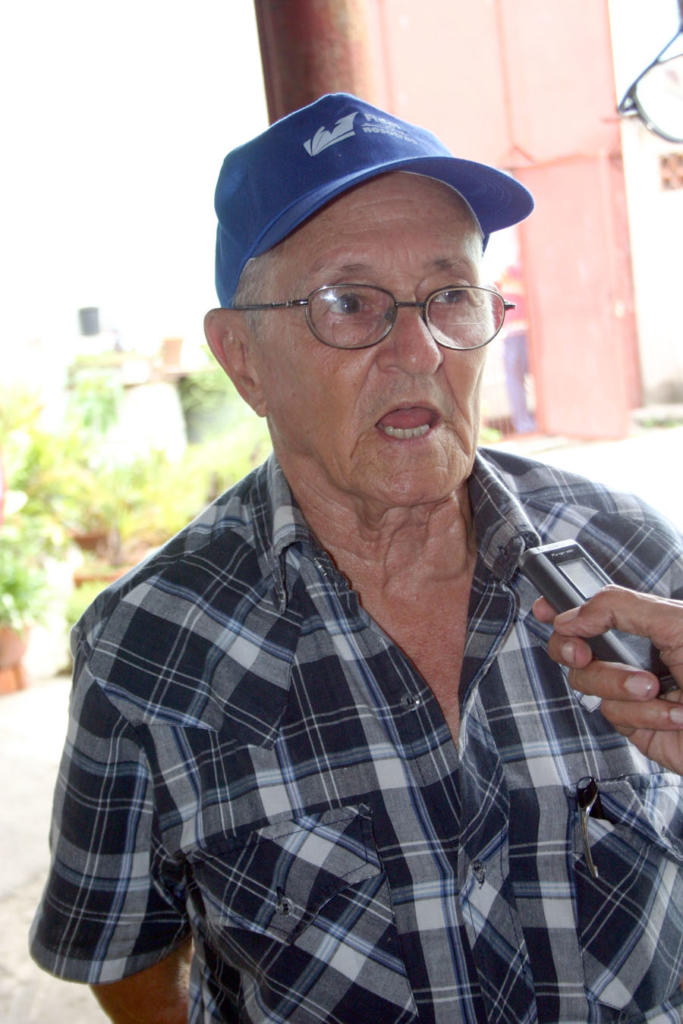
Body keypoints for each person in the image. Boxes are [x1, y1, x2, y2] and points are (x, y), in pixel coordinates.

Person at [30, 93, 682, 1023]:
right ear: (241, 357)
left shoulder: (634, 556)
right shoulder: (148, 643)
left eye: (449, 295)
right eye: (350, 303)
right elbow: (120, 949)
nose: (416, 350)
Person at [498, 262, 536, 434]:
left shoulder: (516, 269)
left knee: (517, 380)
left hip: (524, 333)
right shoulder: (514, 269)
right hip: (516, 333)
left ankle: (526, 423)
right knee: (516, 380)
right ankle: (524, 424)